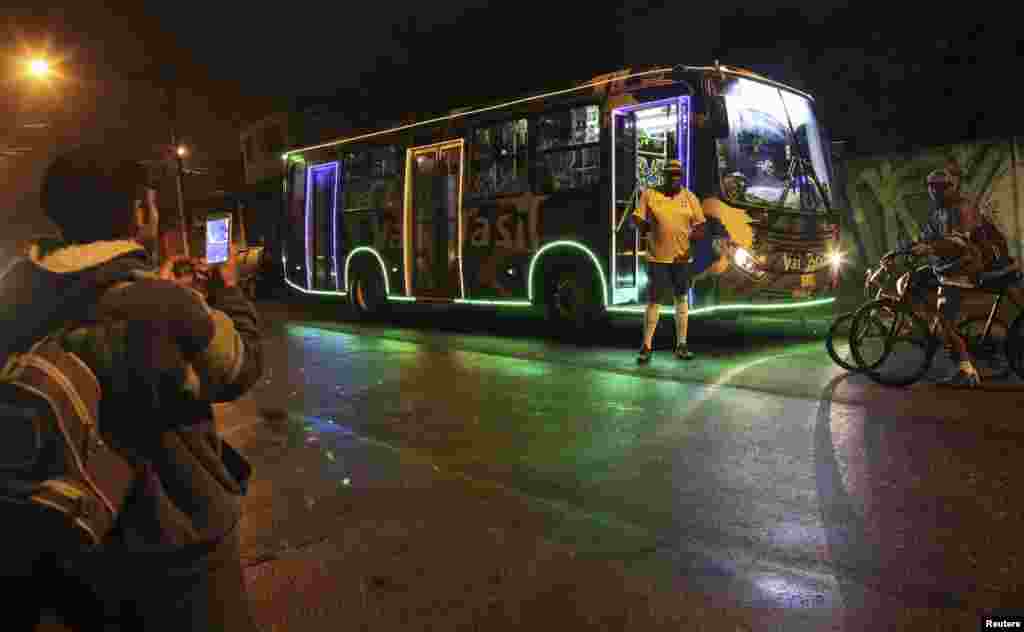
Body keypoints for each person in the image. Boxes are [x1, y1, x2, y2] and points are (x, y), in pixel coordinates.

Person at [9, 144, 263, 630]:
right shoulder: (162, 306)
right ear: (140, 211)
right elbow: (240, 367)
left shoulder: (13, 294)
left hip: (69, 538)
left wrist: (157, 285)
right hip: (174, 545)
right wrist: (228, 289)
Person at [882, 167, 983, 386]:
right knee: (906, 282)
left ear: (950, 187)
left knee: (946, 323)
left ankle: (968, 371)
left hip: (961, 271)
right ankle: (928, 325)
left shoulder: (961, 209)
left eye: (941, 188)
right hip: (943, 269)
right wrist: (900, 250)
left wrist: (929, 249)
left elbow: (960, 242)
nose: (935, 192)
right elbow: (924, 238)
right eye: (932, 188)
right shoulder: (938, 212)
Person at [632, 159, 706, 363]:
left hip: (682, 259)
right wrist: (644, 226)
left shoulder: (690, 198)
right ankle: (646, 346)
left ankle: (681, 345)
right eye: (671, 175)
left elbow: (700, 227)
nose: (674, 179)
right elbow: (637, 217)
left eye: (677, 175)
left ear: (681, 176)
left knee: (681, 299)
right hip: (657, 258)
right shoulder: (650, 194)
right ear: (664, 176)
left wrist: (689, 248)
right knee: (654, 300)